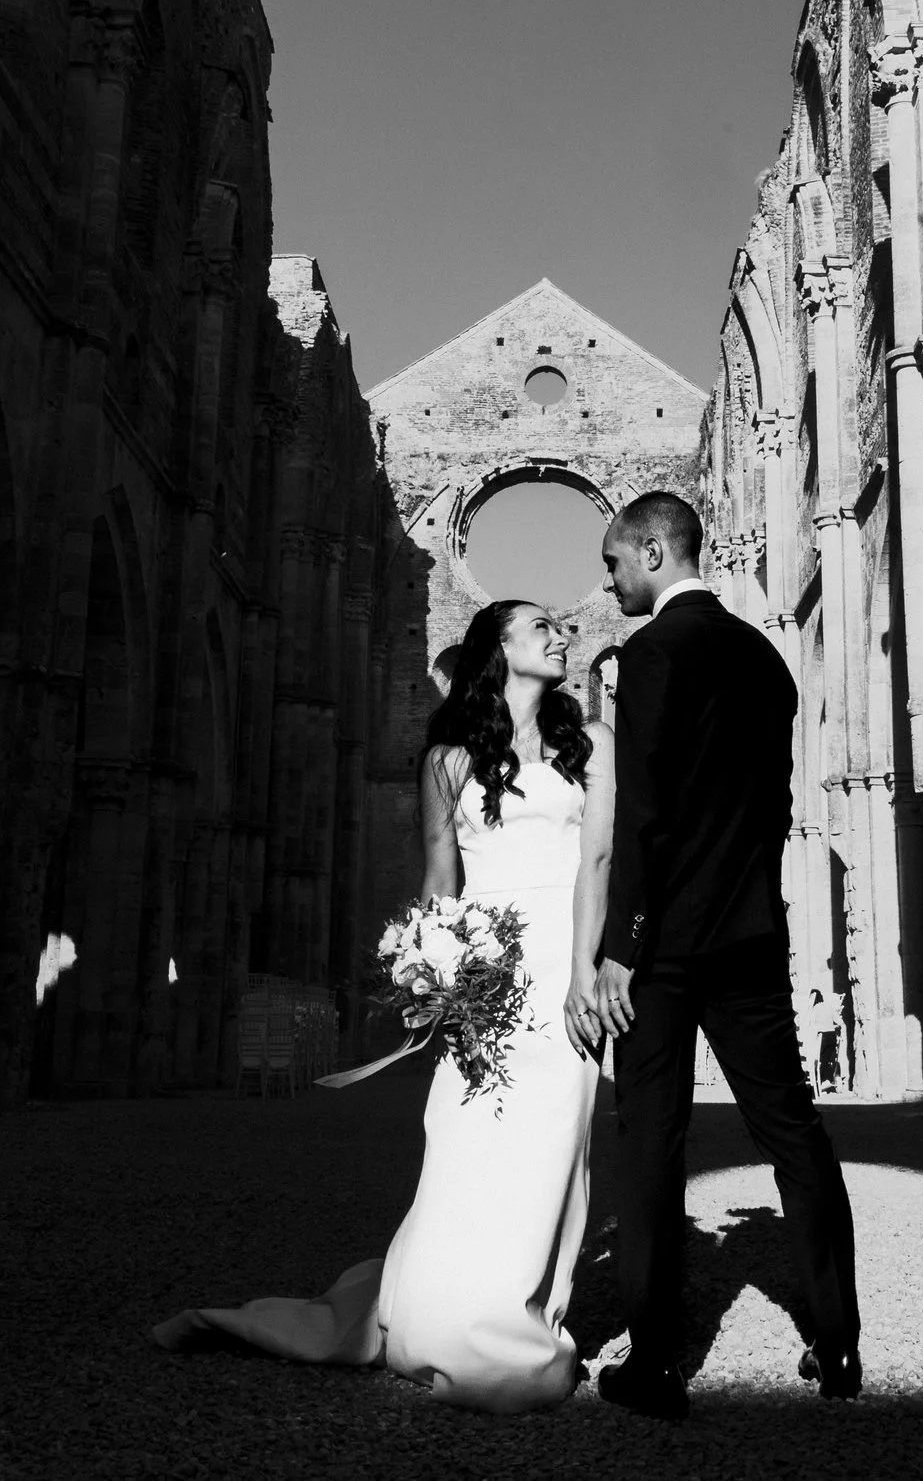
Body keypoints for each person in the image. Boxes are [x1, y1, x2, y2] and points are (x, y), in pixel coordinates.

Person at [154, 599, 612, 1413]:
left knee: (554, 1144)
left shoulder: (594, 746)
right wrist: (434, 970)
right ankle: (446, 1311)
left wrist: (588, 970)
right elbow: (441, 879)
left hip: (562, 967)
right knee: (468, 1139)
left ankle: (525, 1306)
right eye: (540, 624)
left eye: (562, 624)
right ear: (494, 650)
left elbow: (600, 862)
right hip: (491, 973)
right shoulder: (446, 761)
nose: (562, 633)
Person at [579, 490, 861, 1422]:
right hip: (749, 934)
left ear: (655, 549)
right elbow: (772, 808)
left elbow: (647, 810)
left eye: (615, 562)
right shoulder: (768, 659)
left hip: (662, 949)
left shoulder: (654, 653)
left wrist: (623, 945)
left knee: (651, 1141)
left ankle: (657, 1363)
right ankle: (837, 1338)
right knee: (793, 1130)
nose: (609, 579)